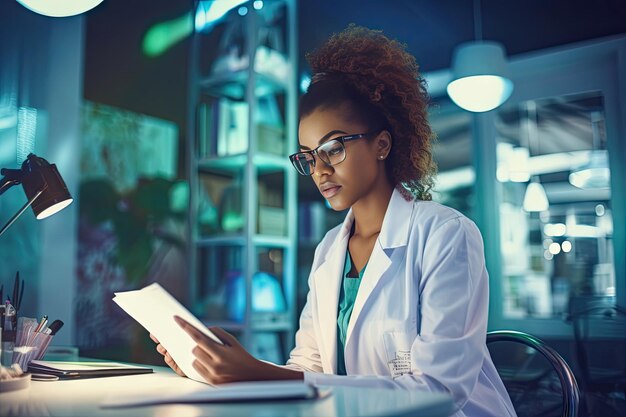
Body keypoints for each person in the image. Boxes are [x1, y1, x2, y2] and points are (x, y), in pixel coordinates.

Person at [152, 25, 516, 417]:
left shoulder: (446, 235)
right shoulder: (330, 249)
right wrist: (222, 366)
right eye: (309, 156)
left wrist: (256, 374)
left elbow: (437, 392)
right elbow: (308, 369)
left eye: (334, 148)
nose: (320, 169)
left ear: (382, 144)